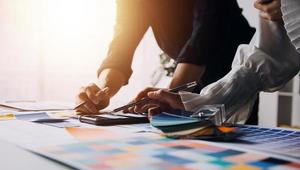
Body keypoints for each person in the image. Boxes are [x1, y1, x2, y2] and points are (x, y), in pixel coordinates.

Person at [75, 0, 257, 122]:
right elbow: (122, 43)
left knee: (231, 145)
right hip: (190, 75)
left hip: (235, 73)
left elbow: (206, 31)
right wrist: (101, 91)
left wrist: (167, 96)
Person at [131, 0, 300, 123]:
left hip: (220, 62)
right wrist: (197, 103)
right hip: (214, 79)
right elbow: (265, 58)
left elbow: (206, 29)